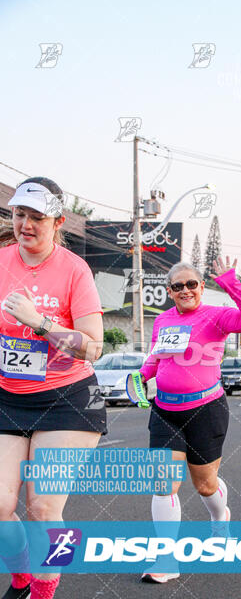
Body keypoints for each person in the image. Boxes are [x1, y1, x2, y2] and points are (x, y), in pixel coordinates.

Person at [0, 178, 106, 599]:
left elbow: (92, 345)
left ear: (58, 222)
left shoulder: (73, 270)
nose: (25, 224)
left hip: (69, 400)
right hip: (9, 397)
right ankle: (21, 571)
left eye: (36, 218)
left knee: (44, 508)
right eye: (19, 214)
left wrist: (38, 321)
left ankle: (46, 587)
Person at [139, 257, 241, 583]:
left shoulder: (218, 316)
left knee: (205, 485)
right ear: (169, 291)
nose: (185, 290)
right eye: (178, 286)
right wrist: (142, 375)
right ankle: (166, 559)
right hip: (164, 410)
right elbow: (157, 357)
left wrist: (231, 282)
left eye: (191, 284)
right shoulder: (163, 320)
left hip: (206, 410)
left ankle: (220, 518)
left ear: (201, 287)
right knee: (164, 483)